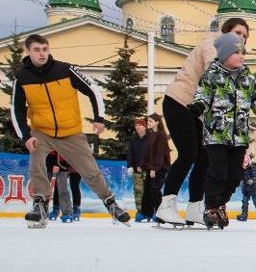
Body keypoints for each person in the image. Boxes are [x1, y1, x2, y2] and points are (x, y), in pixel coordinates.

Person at [12, 34, 130, 228]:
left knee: (90, 170)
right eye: (36, 50)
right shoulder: (22, 78)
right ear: (28, 51)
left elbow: (93, 90)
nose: (41, 54)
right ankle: (40, 205)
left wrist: (99, 119)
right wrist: (25, 136)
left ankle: (111, 202)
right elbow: (16, 109)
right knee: (37, 161)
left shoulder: (65, 70)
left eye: (44, 49)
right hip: (41, 130)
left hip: (70, 131)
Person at [156, 17, 250, 226]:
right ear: (226, 32)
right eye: (237, 33)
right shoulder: (213, 44)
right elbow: (213, 69)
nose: (241, 38)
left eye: (244, 36)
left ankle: (195, 208)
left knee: (204, 158)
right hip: (179, 102)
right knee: (188, 154)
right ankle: (166, 205)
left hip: (198, 113)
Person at [191, 33, 256, 230]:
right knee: (217, 171)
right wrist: (199, 107)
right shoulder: (211, 75)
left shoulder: (249, 79)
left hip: (240, 136)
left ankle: (220, 205)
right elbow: (203, 94)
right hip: (216, 133)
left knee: (235, 175)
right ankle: (211, 207)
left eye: (243, 52)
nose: (241, 56)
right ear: (224, 54)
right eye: (236, 52)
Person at [141, 113, 171, 223]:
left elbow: (160, 153)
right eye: (148, 121)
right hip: (151, 167)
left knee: (155, 189)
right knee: (148, 189)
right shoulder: (150, 135)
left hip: (160, 167)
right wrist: (143, 165)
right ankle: (146, 213)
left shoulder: (161, 135)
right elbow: (148, 152)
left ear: (157, 122)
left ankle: (161, 214)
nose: (148, 123)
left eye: (151, 121)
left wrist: (154, 168)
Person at [127, 117, 153, 222]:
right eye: (136, 126)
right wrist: (130, 165)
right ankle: (140, 211)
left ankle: (151, 211)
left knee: (150, 191)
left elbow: (153, 154)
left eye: (140, 125)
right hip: (137, 170)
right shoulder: (134, 139)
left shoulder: (151, 138)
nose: (137, 127)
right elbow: (130, 153)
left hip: (149, 170)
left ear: (145, 127)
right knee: (138, 192)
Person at [236, 151, 256, 222]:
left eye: (246, 163)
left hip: (254, 188)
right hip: (246, 189)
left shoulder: (252, 168)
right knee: (244, 202)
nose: (244, 165)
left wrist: (252, 180)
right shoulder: (242, 169)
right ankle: (244, 214)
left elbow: (255, 176)